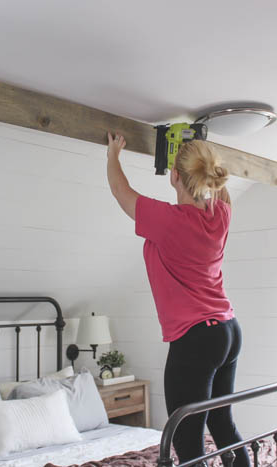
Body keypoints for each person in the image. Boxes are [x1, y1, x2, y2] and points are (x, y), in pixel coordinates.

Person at [105, 133, 249, 467]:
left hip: (196, 339)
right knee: (222, 424)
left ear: (174, 176)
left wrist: (113, 153)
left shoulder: (168, 221)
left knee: (186, 439)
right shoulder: (221, 214)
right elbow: (219, 191)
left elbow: (120, 191)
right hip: (228, 331)